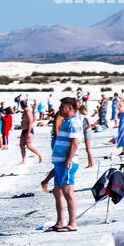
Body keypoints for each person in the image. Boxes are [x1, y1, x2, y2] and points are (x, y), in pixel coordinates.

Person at [47, 96, 83, 232]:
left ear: (69, 108)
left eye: (62, 106)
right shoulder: (67, 122)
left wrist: (68, 160)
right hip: (59, 162)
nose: (59, 109)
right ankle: (59, 222)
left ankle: (72, 223)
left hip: (68, 162)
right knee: (57, 191)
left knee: (68, 191)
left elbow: (75, 144)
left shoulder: (74, 122)